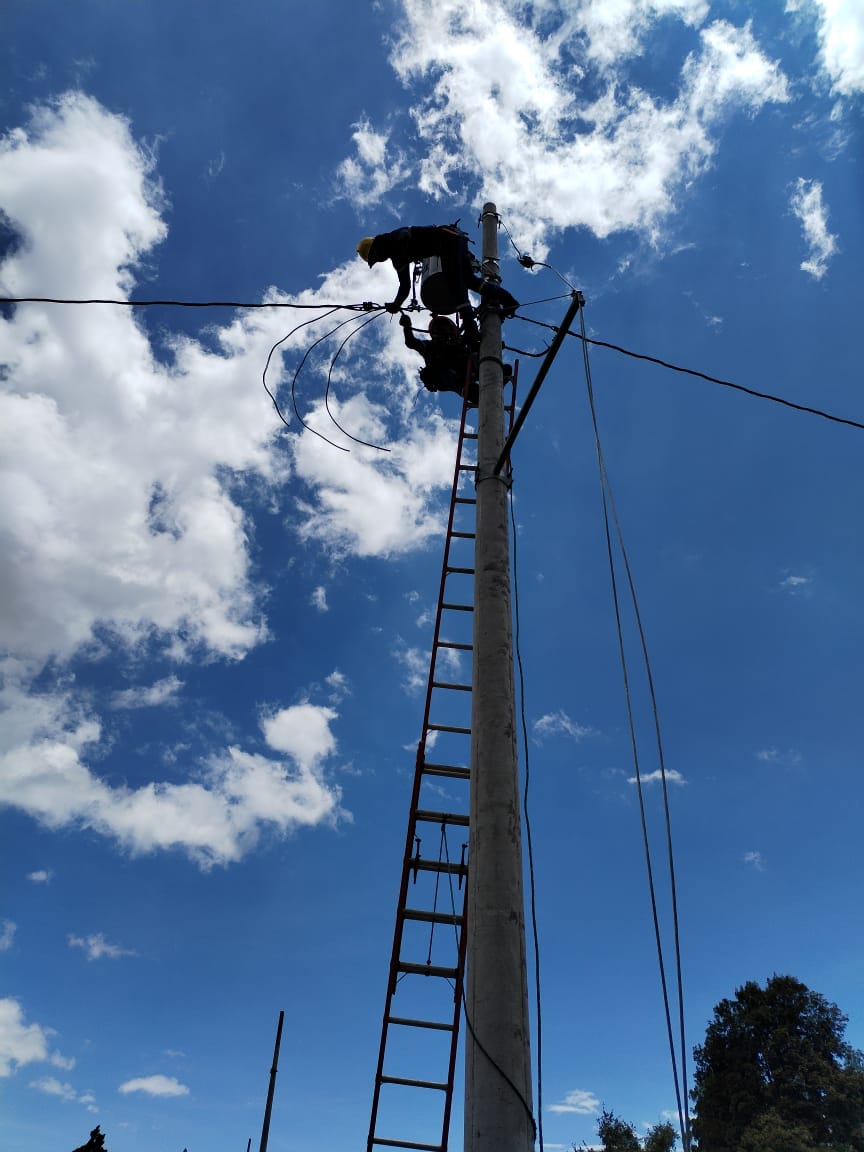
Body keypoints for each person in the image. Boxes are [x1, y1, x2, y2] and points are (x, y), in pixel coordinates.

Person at [357, 224, 519, 318]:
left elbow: (406, 238)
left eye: (375, 258)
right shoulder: (397, 257)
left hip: (448, 243)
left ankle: (472, 336)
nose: (379, 261)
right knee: (469, 281)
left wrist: (396, 304)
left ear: (377, 249)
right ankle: (509, 301)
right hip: (455, 240)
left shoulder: (395, 239)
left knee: (457, 289)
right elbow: (405, 286)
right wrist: (396, 304)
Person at [400, 314, 478, 404]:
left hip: (465, 369)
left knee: (476, 345)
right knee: (450, 375)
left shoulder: (458, 342)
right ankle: (468, 391)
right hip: (446, 376)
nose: (441, 329)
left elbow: (471, 332)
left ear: (451, 329)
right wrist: (407, 327)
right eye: (438, 327)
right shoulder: (430, 346)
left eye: (444, 326)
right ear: (433, 332)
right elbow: (411, 342)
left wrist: (468, 319)